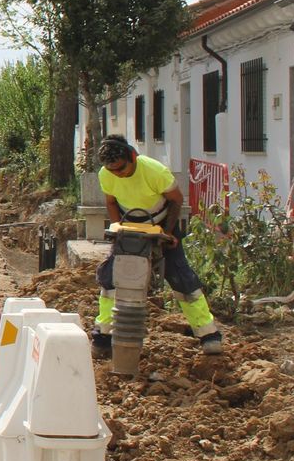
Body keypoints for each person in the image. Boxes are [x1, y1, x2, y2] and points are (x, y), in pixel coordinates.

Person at [90, 133, 222, 358]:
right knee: (111, 276)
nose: (118, 174)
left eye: (121, 169)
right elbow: (111, 202)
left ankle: (208, 333)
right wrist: (117, 228)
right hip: (129, 226)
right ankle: (103, 335)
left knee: (179, 275)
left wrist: (167, 233)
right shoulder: (107, 174)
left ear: (132, 156)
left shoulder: (154, 171)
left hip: (161, 222)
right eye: (112, 171)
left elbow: (176, 200)